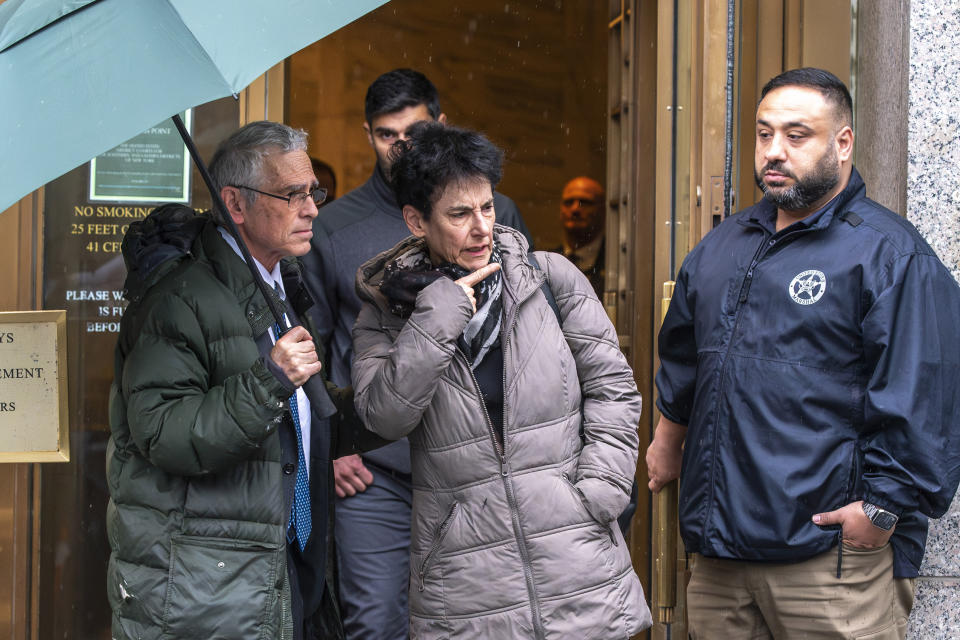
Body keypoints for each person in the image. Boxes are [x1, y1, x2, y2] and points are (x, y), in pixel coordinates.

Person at [646, 67, 960, 639]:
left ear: (842, 144)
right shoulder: (721, 245)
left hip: (829, 562)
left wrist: (882, 510)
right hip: (719, 558)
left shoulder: (890, 256)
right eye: (764, 134)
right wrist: (667, 440)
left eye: (796, 136)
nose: (774, 151)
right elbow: (684, 357)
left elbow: (926, 395)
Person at [350, 120, 652, 638]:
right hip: (466, 578)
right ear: (416, 220)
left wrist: (599, 490)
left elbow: (613, 386)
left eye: (487, 207)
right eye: (460, 213)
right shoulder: (387, 313)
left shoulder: (550, 277)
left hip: (576, 557)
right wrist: (438, 316)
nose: (481, 227)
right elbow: (385, 415)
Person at [105, 121, 386, 640]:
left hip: (274, 573)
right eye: (292, 194)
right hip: (201, 589)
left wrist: (406, 380)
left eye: (313, 192)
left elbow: (304, 422)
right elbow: (163, 434)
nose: (312, 209)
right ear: (235, 205)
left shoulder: (280, 285)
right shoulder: (178, 298)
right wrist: (270, 379)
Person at [299, 67, 533, 639]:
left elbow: (526, 340)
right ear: (367, 135)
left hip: (472, 467)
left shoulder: (491, 214)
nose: (401, 146)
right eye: (386, 135)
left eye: (414, 130)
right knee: (376, 624)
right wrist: (331, 447)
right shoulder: (331, 228)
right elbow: (309, 346)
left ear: (440, 123)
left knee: (471, 624)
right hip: (373, 471)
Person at [557, 176, 605, 297]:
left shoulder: (616, 262)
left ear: (603, 210)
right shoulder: (549, 261)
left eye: (584, 203)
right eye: (568, 202)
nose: (575, 209)